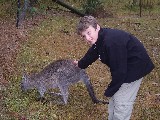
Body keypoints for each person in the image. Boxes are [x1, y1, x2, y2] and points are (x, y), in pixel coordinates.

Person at [74, 15, 154, 120]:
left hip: (135, 67)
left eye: (89, 33)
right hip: (123, 67)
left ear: (97, 27)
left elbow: (119, 71)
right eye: (84, 36)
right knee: (114, 99)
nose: (87, 38)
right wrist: (80, 64)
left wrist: (111, 89)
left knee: (121, 103)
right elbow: (93, 52)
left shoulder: (111, 43)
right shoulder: (100, 38)